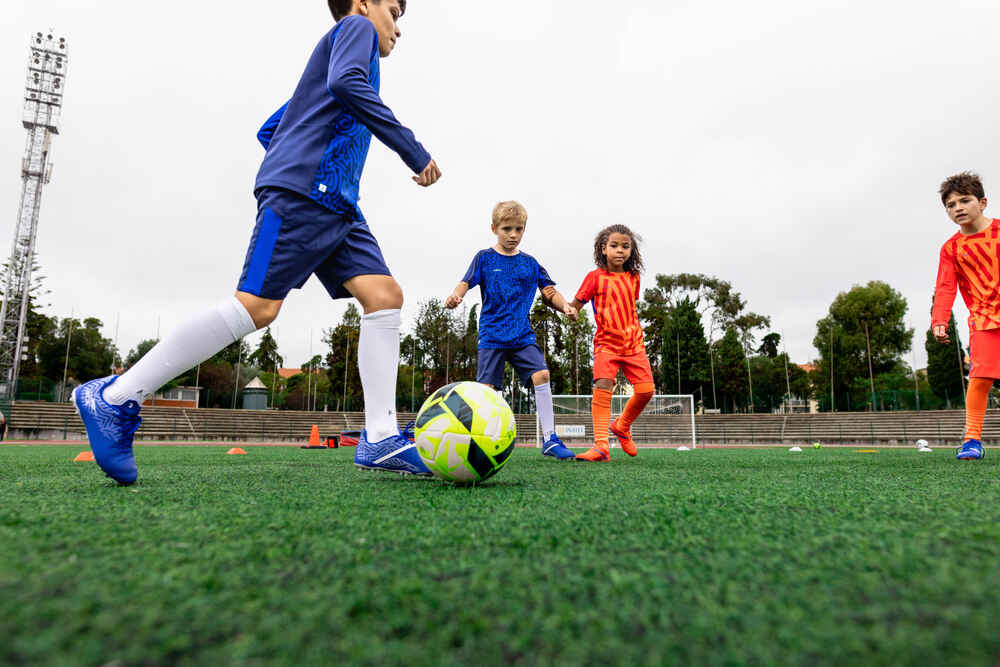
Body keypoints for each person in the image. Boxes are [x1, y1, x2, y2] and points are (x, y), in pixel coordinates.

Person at [72, 0, 441, 485]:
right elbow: (346, 84)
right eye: (394, 10)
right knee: (257, 307)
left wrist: (299, 151)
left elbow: (273, 128)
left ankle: (380, 436)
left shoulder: (340, 56)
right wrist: (412, 150)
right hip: (304, 194)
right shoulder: (356, 30)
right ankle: (116, 397)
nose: (398, 26)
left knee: (384, 297)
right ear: (363, 3)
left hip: (337, 205)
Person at [446, 201, 578, 460]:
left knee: (541, 375)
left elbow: (549, 291)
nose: (513, 234)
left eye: (519, 229)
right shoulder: (484, 258)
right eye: (507, 228)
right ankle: (482, 444)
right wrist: (455, 296)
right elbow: (465, 281)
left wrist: (566, 307)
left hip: (521, 335)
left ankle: (550, 439)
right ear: (494, 228)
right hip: (492, 335)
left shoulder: (530, 263)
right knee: (487, 392)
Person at [568, 225, 654, 462]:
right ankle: (601, 447)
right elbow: (576, 305)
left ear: (631, 251)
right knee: (603, 385)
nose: (620, 251)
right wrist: (571, 312)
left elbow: (629, 306)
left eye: (625, 247)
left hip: (634, 344)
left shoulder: (634, 278)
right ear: (603, 249)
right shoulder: (594, 278)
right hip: (606, 344)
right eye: (614, 246)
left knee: (646, 391)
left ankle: (622, 426)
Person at [932, 171, 997, 461]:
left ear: (982, 202)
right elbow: (945, 287)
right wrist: (939, 320)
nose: (957, 208)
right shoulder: (951, 249)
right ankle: (972, 440)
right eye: (950, 204)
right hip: (984, 321)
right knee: (980, 378)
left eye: (964, 200)